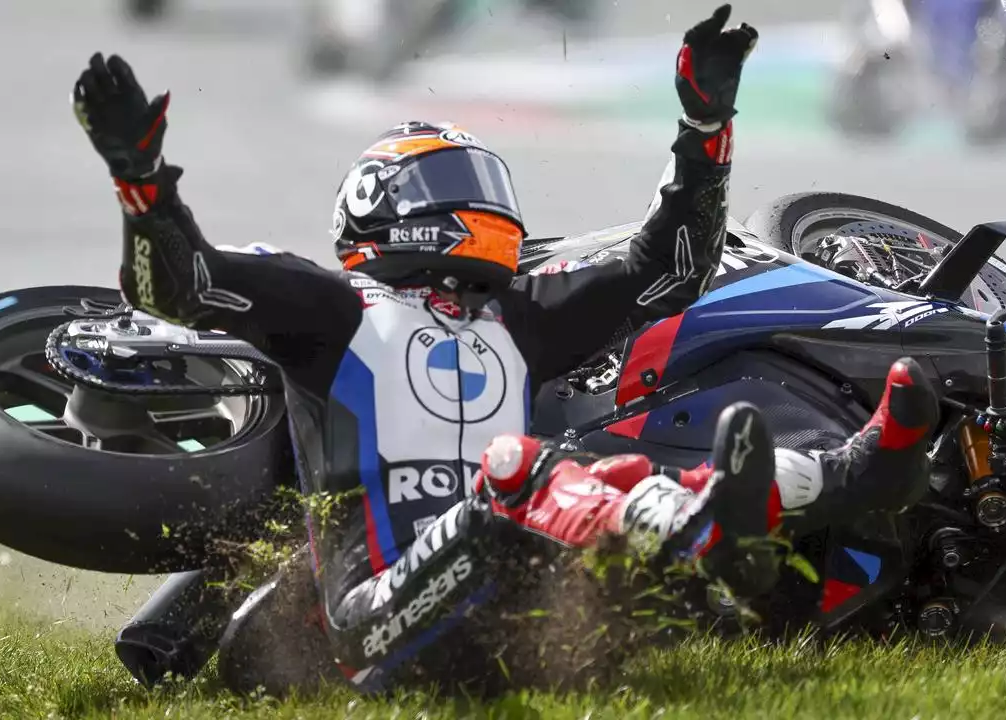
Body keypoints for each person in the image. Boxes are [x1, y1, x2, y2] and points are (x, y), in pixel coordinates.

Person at [72, 4, 936, 695]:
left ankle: (857, 474)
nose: (489, 211)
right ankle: (696, 532)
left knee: (610, 461)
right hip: (380, 622)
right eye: (460, 189)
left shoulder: (516, 321)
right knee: (522, 470)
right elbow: (175, 286)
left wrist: (704, 129)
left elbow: (666, 267)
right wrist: (141, 185)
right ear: (386, 204)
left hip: (521, 621)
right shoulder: (329, 312)